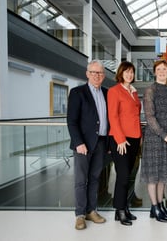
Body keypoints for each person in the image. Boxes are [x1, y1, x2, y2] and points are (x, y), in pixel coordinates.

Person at [67, 60, 108, 230]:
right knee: (81, 180)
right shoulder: (78, 93)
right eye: (93, 72)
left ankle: (91, 210)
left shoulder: (107, 93)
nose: (97, 75)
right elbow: (71, 121)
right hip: (83, 145)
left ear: (104, 76)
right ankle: (80, 215)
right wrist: (78, 143)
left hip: (101, 143)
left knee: (95, 179)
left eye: (100, 73)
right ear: (87, 73)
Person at [140, 59, 167, 223]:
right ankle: (155, 207)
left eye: (164, 69)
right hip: (155, 138)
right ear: (155, 72)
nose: (162, 72)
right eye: (159, 69)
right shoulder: (150, 90)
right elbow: (149, 117)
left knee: (163, 174)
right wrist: (165, 135)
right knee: (153, 176)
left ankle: (160, 206)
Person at [107, 61, 142, 226]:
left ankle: (123, 208)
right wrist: (120, 139)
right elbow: (112, 117)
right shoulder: (114, 91)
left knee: (128, 175)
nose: (129, 75)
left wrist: (139, 137)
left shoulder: (134, 93)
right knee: (122, 176)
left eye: (131, 72)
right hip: (120, 139)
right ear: (120, 73)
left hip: (134, 138)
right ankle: (120, 210)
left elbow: (135, 115)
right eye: (126, 72)